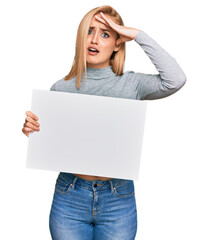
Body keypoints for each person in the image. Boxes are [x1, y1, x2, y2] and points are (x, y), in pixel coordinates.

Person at [22, 5, 186, 240]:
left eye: (105, 34)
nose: (95, 39)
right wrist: (33, 130)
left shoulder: (133, 84)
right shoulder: (60, 89)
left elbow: (176, 79)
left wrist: (137, 35)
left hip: (117, 198)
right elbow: (52, 142)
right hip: (70, 196)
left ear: (118, 43)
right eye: (89, 31)